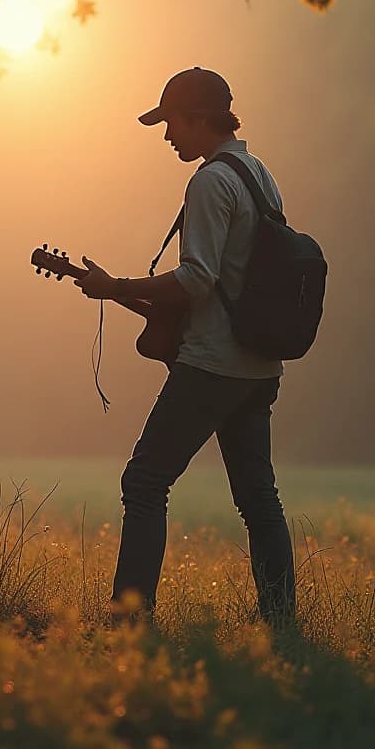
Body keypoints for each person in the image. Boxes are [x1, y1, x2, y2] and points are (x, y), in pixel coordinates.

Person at [76, 67, 295, 626]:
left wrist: (116, 287)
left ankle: (130, 621)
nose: (168, 135)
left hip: (212, 364)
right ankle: (281, 624)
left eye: (171, 122)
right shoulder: (259, 174)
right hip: (258, 365)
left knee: (144, 481)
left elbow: (198, 278)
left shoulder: (210, 182)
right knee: (259, 498)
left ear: (199, 119)